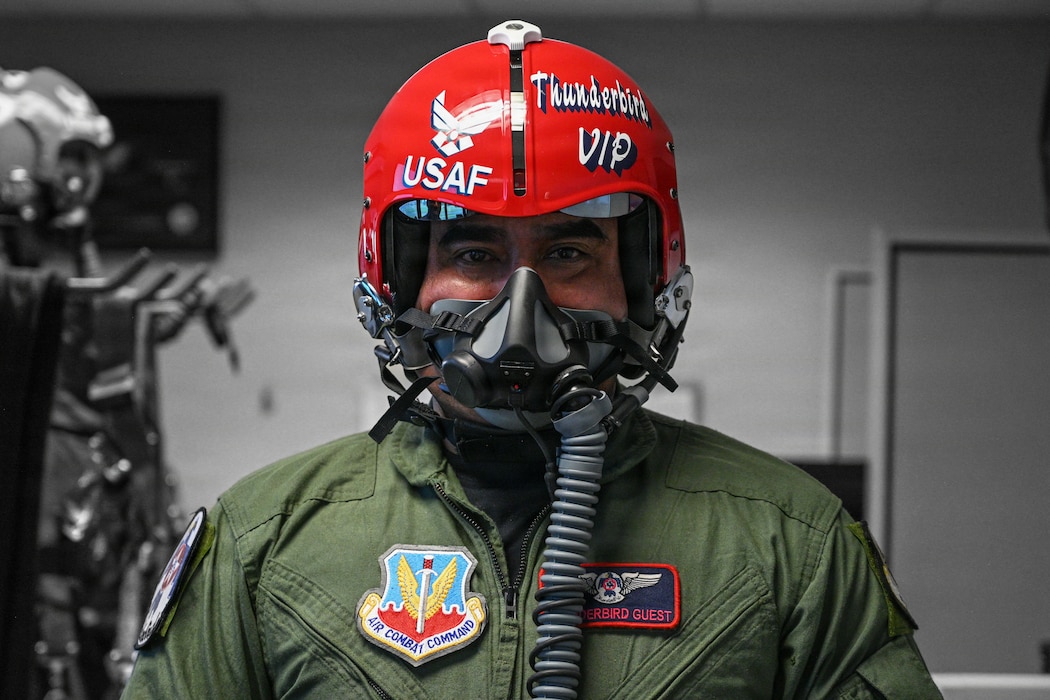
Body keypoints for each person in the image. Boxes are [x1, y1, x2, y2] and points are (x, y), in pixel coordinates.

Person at [122, 20, 942, 698]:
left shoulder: (788, 542)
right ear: (397, 281)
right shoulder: (262, 541)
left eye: (570, 253)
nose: (522, 311)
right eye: (474, 252)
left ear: (646, 283)